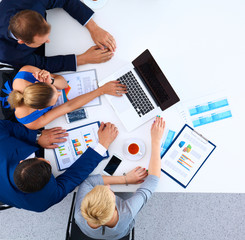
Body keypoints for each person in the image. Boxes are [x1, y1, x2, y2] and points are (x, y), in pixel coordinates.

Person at [74, 116, 165, 240]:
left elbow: (88, 182)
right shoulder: (127, 213)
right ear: (115, 209)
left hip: (89, 232)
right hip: (122, 232)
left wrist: (125, 179)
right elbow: (153, 180)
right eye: (110, 192)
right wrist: (156, 140)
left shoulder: (80, 215)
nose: (108, 186)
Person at [0, 119, 118, 212]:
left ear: (21, 162)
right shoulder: (42, 201)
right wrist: (102, 146)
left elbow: (6, 126)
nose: (48, 161)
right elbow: (72, 177)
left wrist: (37, 137)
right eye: (47, 164)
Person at [0, 0, 116, 73]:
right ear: (22, 42)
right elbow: (41, 64)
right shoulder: (7, 54)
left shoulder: (32, 2)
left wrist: (93, 28)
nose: (49, 40)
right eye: (42, 41)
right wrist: (83, 59)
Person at [7, 65, 126, 130]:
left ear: (38, 83)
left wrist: (52, 80)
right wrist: (101, 90)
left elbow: (64, 84)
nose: (60, 93)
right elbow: (68, 106)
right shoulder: (31, 121)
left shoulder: (26, 72)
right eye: (55, 99)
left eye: (54, 91)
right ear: (40, 109)